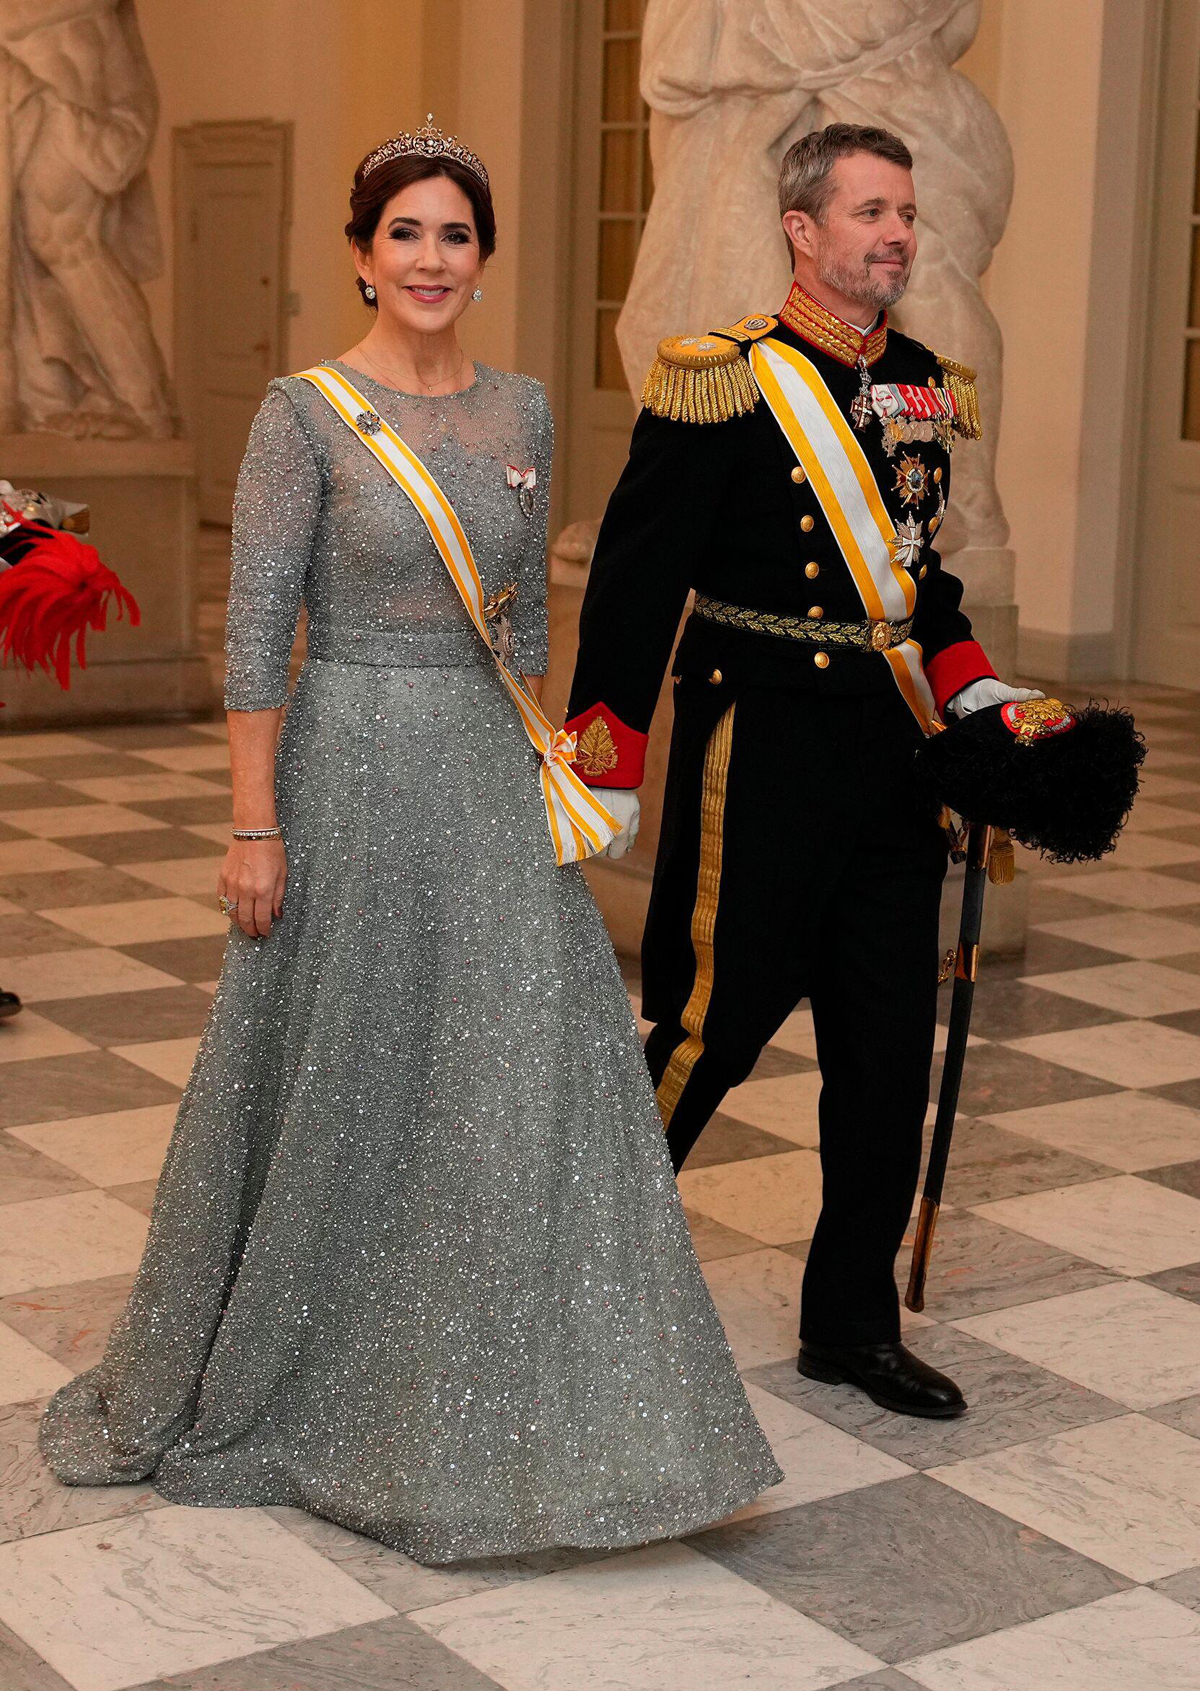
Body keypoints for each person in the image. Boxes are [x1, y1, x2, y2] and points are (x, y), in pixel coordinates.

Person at [40, 119, 780, 1562]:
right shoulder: (300, 412)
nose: (430, 258)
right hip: (346, 771)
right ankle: (325, 1378)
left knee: (518, 1081)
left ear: (485, 261)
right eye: (405, 233)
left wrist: (560, 763)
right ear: (363, 255)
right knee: (351, 1072)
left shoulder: (524, 410)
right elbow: (259, 631)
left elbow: (527, 626)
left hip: (490, 774)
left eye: (456, 234)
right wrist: (254, 823)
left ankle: (517, 1392)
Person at [565, 123, 1040, 1421]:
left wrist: (990, 711)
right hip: (757, 754)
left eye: (905, 212)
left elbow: (919, 586)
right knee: (708, 1033)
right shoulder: (721, 381)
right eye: (870, 211)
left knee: (886, 1055)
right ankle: (562, 1273)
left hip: (891, 771)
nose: (895, 234)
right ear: (804, 230)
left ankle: (850, 1325)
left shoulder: (924, 386)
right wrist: (599, 763)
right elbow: (632, 584)